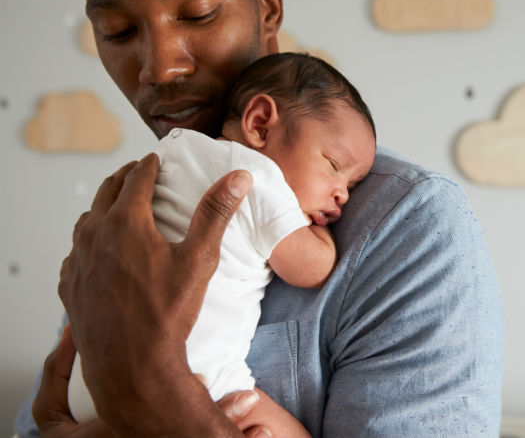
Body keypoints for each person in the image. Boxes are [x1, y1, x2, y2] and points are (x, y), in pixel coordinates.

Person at [14, 0, 505, 437]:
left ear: (266, 9)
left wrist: (160, 393)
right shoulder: (128, 212)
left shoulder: (408, 227)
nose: (160, 68)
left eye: (198, 13)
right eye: (117, 31)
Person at [66, 52, 376, 432]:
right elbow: (312, 268)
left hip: (88, 385)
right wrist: (317, 230)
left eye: (352, 186)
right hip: (197, 379)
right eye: (333, 165)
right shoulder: (256, 176)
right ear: (260, 124)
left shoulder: (172, 153)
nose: (342, 194)